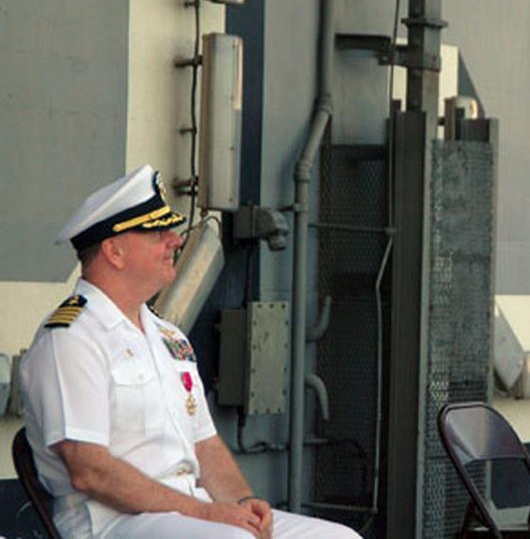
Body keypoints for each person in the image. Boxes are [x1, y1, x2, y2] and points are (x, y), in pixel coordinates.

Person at [19, 165, 360, 539]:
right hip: (114, 523)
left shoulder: (168, 337)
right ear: (114, 251)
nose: (175, 241)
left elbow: (205, 444)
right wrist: (207, 513)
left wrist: (242, 503)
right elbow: (89, 470)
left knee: (339, 537)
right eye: (156, 233)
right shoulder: (72, 338)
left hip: (189, 511)